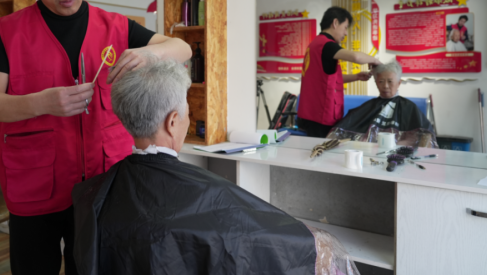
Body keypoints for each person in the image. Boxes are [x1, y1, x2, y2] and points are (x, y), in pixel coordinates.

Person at [0, 0, 191, 275]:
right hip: (35, 187)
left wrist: (149, 54)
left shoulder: (115, 27)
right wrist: (42, 102)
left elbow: (182, 48)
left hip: (101, 185)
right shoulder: (10, 33)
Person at [71, 59, 359, 275]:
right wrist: (315, 243)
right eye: (186, 111)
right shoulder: (205, 194)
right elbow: (262, 247)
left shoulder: (95, 195)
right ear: (173, 122)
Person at [297, 6, 381, 138]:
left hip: (312, 114)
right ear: (335, 23)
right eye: (345, 27)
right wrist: (375, 61)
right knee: (321, 149)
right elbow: (356, 57)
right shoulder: (326, 45)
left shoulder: (315, 44)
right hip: (320, 117)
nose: (346, 33)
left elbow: (328, 78)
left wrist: (356, 76)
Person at [328, 60, 436, 147]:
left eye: (390, 81)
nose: (385, 86)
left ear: (399, 83)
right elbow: (340, 131)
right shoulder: (368, 107)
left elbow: (426, 135)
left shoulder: (409, 107)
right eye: (381, 81)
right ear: (376, 83)